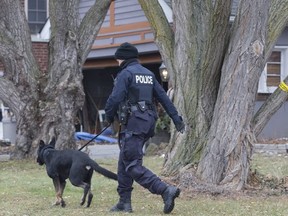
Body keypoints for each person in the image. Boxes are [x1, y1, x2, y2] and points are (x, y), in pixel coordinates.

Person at [104, 42, 185, 214]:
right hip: (147, 123)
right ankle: (124, 202)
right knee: (124, 160)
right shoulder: (148, 74)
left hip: (133, 124)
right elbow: (164, 98)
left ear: (123, 58)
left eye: (118, 59)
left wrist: (109, 117)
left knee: (132, 165)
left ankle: (164, 190)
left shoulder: (125, 74)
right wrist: (176, 119)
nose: (117, 62)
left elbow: (115, 98)